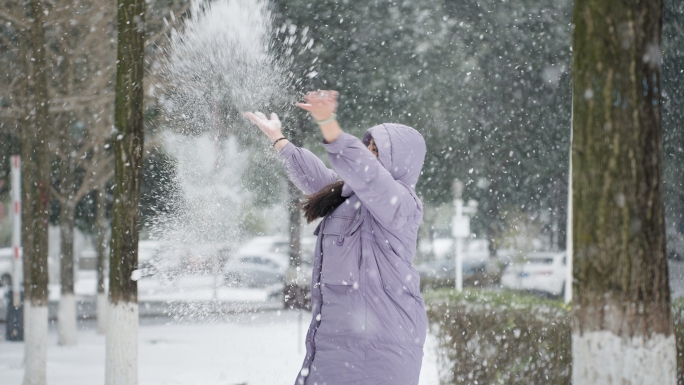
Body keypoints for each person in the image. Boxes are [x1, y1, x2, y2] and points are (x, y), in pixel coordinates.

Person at [245, 90, 427, 385]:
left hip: (380, 352)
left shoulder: (402, 205)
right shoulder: (348, 194)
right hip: (335, 348)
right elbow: (315, 177)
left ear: (401, 162)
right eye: (368, 147)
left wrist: (328, 122)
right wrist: (279, 140)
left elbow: (366, 174)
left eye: (377, 151)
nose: (369, 155)